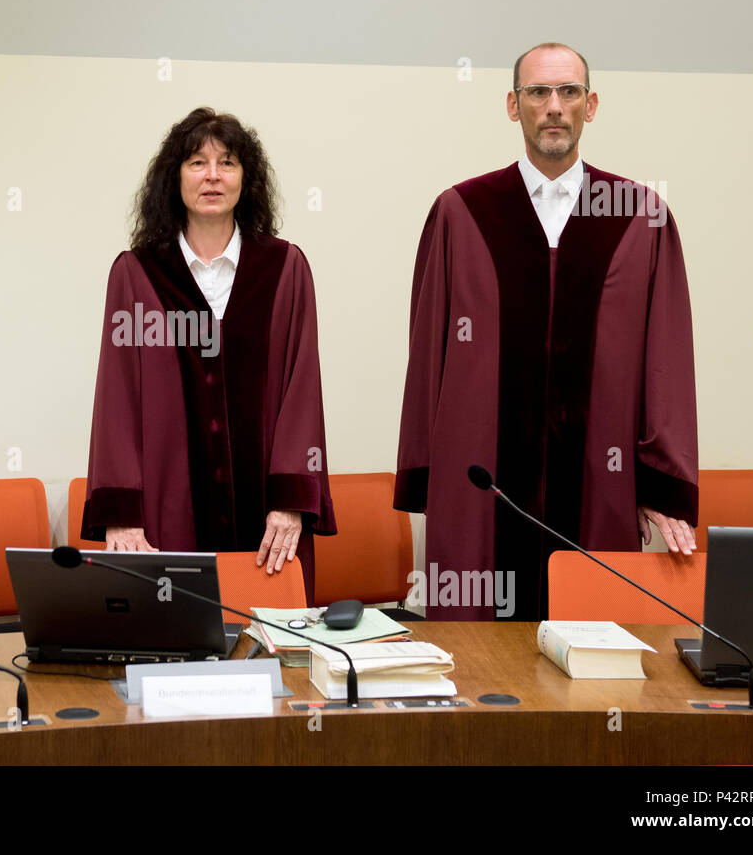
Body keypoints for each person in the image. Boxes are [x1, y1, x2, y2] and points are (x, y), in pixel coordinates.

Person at [395, 43, 698, 620]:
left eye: (569, 92)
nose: (554, 106)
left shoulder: (640, 216)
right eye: (538, 93)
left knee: (596, 667)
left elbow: (667, 362)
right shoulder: (462, 211)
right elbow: (427, 354)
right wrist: (430, 480)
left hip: (599, 484)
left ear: (592, 104)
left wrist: (659, 484)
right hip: (482, 487)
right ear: (514, 106)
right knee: (480, 673)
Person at [81, 107, 335, 599]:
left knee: (270, 658)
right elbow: (117, 401)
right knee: (173, 656)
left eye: (228, 162)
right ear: (173, 178)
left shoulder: (284, 268)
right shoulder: (138, 274)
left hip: (267, 523)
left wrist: (290, 502)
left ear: (248, 179)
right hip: (163, 515)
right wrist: (121, 516)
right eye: (197, 162)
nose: (213, 176)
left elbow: (302, 391)